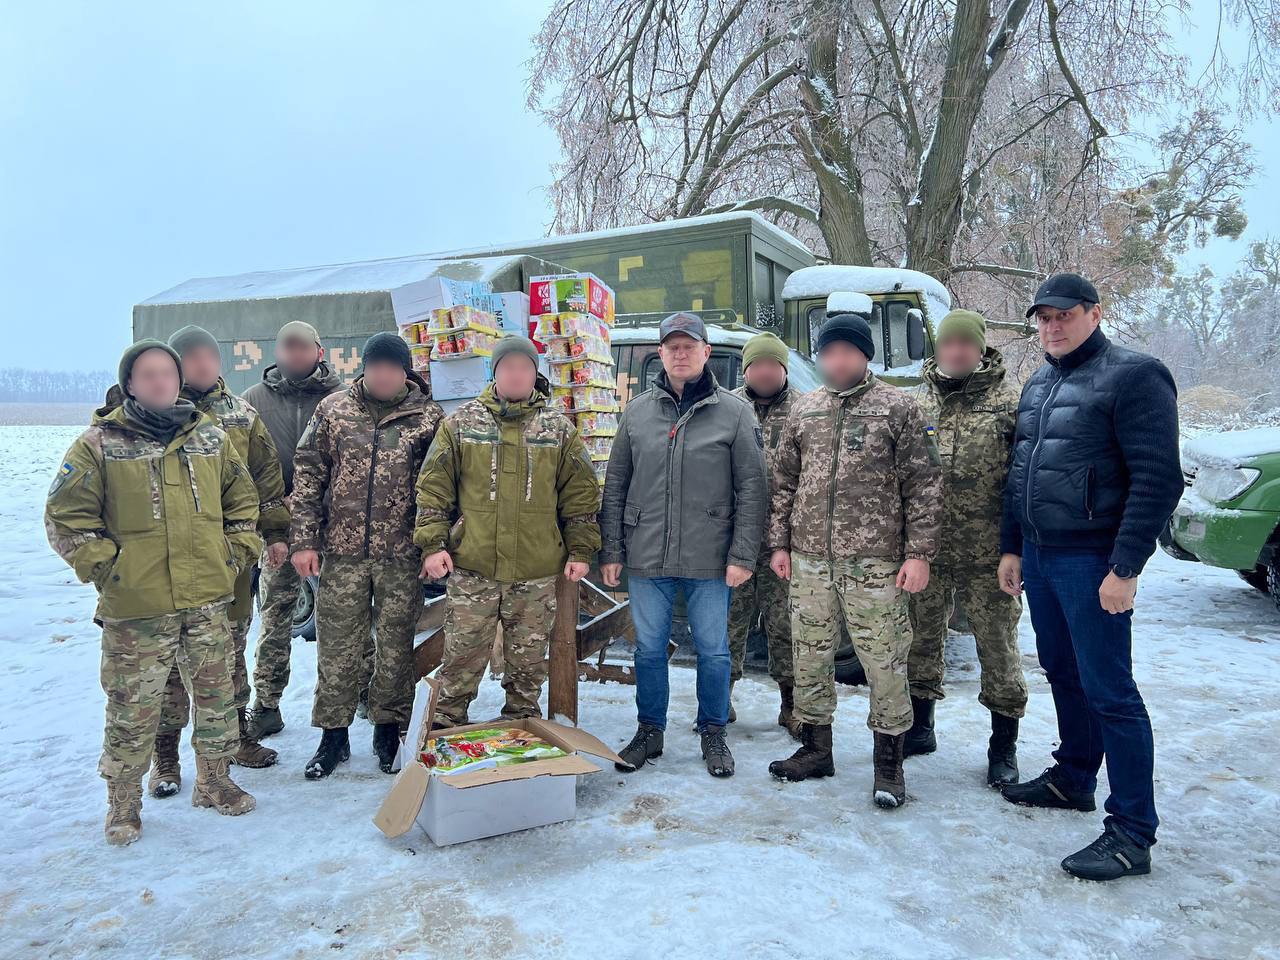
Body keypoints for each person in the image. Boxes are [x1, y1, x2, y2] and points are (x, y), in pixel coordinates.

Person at [997, 273, 1183, 881]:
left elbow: (1158, 478)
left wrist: (1125, 566)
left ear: (1095, 313)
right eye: (1043, 317)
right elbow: (1021, 473)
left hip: (1093, 560)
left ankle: (1131, 832)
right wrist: (1012, 547)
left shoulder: (1135, 376)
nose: (1052, 326)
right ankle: (1074, 776)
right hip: (1042, 556)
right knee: (1063, 673)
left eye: (1065, 315)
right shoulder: (1039, 382)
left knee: (1111, 692)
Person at [46, 340, 262, 845]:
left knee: (217, 698)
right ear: (130, 383)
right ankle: (123, 803)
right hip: (137, 609)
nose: (160, 382)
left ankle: (214, 781)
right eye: (148, 374)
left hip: (206, 600)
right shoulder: (99, 444)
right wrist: (112, 570)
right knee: (133, 708)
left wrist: (232, 555)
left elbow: (243, 503)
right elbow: (66, 518)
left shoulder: (209, 439)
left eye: (168, 373)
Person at [766, 302, 941, 808]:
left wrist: (919, 553)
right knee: (809, 655)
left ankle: (889, 764)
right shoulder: (804, 409)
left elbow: (925, 486)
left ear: (864, 356)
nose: (837, 361)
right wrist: (780, 544)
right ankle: (815, 749)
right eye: (829, 352)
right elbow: (783, 483)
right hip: (810, 561)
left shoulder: (899, 408)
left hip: (876, 562)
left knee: (884, 661)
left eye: (847, 352)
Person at [600, 312, 766, 778]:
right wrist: (612, 550)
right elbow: (616, 485)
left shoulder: (734, 412)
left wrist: (742, 555)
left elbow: (752, 489)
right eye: (672, 346)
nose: (680, 353)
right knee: (649, 651)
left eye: (689, 346)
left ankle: (713, 731)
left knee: (713, 651)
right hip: (647, 553)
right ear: (661, 353)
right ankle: (649, 730)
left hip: (710, 557)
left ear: (706, 352)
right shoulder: (637, 412)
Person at [415, 336, 601, 726]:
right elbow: (433, 489)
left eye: (524, 368)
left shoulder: (558, 430)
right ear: (495, 372)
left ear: (535, 374)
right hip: (473, 567)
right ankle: (445, 726)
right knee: (461, 658)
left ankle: (522, 726)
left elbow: (581, 496)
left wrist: (581, 550)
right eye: (508, 367)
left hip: (535, 573)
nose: (516, 375)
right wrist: (433, 544)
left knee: (528, 666)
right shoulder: (461, 424)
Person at [142, 326, 290, 798]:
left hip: (225, 561)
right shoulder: (146, 416)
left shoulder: (241, 416)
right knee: (166, 662)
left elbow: (265, 479)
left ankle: (234, 737)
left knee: (228, 651)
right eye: (192, 357)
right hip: (162, 566)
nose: (204, 364)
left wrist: (273, 534)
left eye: (210, 356)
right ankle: (165, 755)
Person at [290, 332, 444, 779]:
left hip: (401, 554)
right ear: (365, 368)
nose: (383, 375)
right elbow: (308, 474)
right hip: (342, 553)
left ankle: (388, 729)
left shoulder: (428, 418)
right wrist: (304, 540)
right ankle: (332, 736)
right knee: (338, 646)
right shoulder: (334, 410)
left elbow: (441, 487)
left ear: (405, 372)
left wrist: (433, 545)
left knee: (395, 646)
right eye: (376, 367)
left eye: (392, 368)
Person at [904, 310, 1028, 786]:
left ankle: (1003, 747)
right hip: (928, 551)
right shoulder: (916, 402)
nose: (956, 351)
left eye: (965, 344)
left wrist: (1016, 547)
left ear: (980, 348)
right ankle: (920, 728)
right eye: (948, 343)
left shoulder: (1011, 402)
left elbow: (1023, 481)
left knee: (998, 647)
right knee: (919, 640)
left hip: (989, 555)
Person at [240, 321, 352, 741]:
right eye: (288, 347)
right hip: (279, 531)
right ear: (277, 353)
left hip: (336, 528)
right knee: (275, 618)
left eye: (303, 347)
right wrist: (270, 512)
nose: (296, 354)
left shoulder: (343, 398)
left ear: (319, 352)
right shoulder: (253, 401)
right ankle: (267, 704)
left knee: (348, 618)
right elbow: (241, 469)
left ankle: (356, 692)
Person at [727, 331, 803, 738]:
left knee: (786, 626)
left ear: (784, 369)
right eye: (757, 365)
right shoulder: (727, 407)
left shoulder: (805, 410)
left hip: (783, 544)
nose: (765, 372)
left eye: (773, 364)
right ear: (746, 370)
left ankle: (791, 705)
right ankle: (719, 697)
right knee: (727, 624)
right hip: (732, 541)